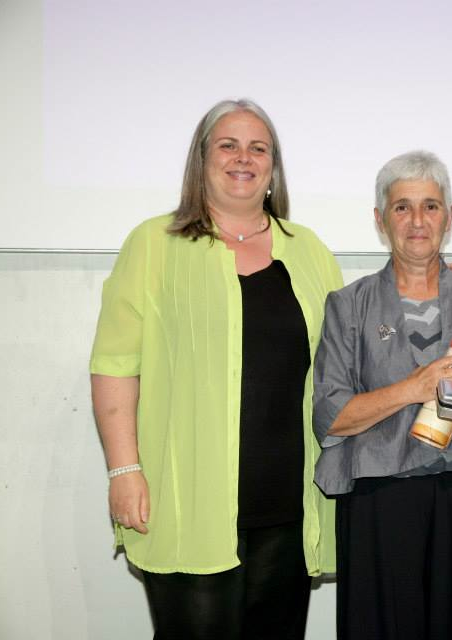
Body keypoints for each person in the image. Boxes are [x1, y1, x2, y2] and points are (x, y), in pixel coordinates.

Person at [90, 98, 343, 639]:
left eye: (258, 148)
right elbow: (114, 365)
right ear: (201, 160)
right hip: (187, 503)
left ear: (273, 168)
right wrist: (123, 470)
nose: (243, 158)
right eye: (227, 145)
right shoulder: (153, 245)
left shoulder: (310, 251)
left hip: (287, 504)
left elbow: (351, 351)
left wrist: (436, 280)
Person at [312, 150, 452, 640]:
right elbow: (330, 415)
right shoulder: (348, 305)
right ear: (380, 219)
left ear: (449, 218)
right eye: (402, 207)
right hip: (380, 498)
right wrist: (412, 389)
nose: (417, 221)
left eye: (431, 207)